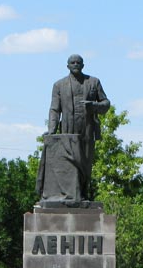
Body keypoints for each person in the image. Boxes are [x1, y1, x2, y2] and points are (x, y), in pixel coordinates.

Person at [37, 53, 110, 202]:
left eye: (78, 62)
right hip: (68, 130)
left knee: (86, 163)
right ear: (68, 66)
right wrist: (52, 130)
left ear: (83, 65)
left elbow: (106, 104)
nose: (75, 64)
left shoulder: (93, 82)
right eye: (72, 62)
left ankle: (83, 193)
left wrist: (94, 106)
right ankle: (73, 194)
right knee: (71, 163)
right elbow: (54, 109)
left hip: (87, 129)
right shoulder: (59, 85)